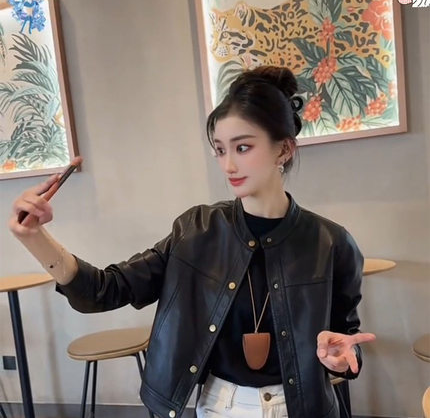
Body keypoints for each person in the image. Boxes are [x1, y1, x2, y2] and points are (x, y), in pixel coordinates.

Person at [9, 66, 375, 418]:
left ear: (284, 150)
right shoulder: (196, 229)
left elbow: (346, 341)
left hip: (303, 408)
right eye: (220, 149)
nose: (228, 165)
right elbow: (105, 290)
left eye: (242, 148)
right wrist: (35, 237)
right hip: (221, 407)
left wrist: (341, 361)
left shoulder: (332, 243)